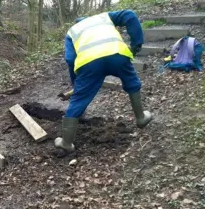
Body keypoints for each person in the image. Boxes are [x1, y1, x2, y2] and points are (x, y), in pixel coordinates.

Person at [55, 10, 153, 153]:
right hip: (118, 55)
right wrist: (136, 43)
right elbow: (129, 15)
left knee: (78, 99)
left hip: (89, 64)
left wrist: (76, 83)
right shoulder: (103, 17)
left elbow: (70, 59)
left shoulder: (72, 31)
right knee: (132, 82)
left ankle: (66, 142)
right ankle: (141, 118)